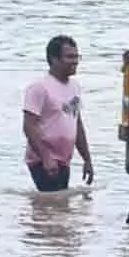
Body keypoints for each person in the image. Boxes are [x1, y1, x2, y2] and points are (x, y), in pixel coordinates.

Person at [23, 35, 94, 192]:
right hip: (42, 160)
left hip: (63, 160)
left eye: (77, 56)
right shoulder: (39, 87)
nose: (75, 61)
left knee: (58, 208)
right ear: (54, 59)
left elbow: (77, 124)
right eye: (69, 57)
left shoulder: (74, 87)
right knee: (52, 205)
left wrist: (87, 159)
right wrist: (46, 157)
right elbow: (29, 126)